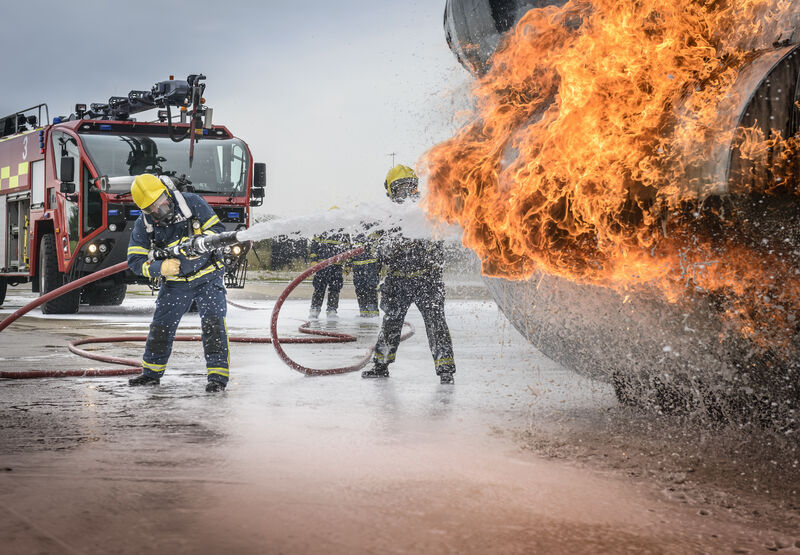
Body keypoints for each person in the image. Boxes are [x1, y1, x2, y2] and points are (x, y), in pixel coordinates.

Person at [126, 174, 230, 392]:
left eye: (161, 202)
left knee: (213, 325)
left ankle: (217, 378)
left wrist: (201, 243)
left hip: (208, 277)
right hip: (175, 284)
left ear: (167, 192)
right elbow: (135, 261)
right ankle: (151, 373)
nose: (159, 210)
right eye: (152, 208)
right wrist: (159, 268)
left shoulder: (192, 203)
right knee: (161, 327)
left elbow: (219, 231)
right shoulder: (143, 225)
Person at [362, 165, 456, 384]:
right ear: (391, 193)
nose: (406, 193)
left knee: (436, 322)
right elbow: (378, 249)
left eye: (409, 187)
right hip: (397, 280)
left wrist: (421, 240)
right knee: (391, 323)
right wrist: (394, 244)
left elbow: (439, 240)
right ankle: (381, 365)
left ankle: (445, 369)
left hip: (427, 278)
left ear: (416, 188)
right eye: (400, 188)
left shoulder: (428, 210)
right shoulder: (386, 218)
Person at [308, 228, 349, 319]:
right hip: (322, 266)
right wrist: (314, 261)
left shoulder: (343, 231)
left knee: (335, 289)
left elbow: (348, 249)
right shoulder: (321, 228)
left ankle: (332, 310)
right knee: (319, 288)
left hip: (337, 267)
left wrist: (348, 265)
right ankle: (315, 309)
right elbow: (314, 246)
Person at [350, 222, 382, 317]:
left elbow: (379, 250)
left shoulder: (375, 229)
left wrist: (378, 266)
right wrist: (348, 264)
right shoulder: (355, 232)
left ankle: (373, 311)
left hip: (370, 266)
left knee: (371, 288)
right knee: (360, 289)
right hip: (358, 267)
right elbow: (349, 250)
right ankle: (363, 310)